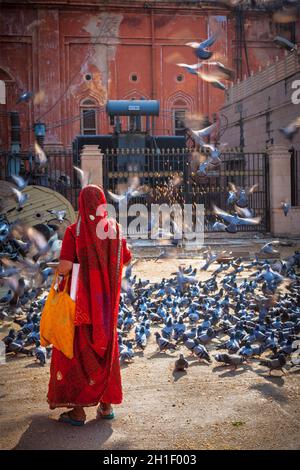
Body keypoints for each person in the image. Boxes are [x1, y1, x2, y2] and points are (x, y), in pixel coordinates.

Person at [47, 185, 131, 426]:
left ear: (81, 204)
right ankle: (105, 407)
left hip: (80, 305)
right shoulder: (114, 230)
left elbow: (64, 267)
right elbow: (125, 256)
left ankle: (77, 412)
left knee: (77, 353)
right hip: (105, 306)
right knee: (105, 349)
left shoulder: (75, 232)